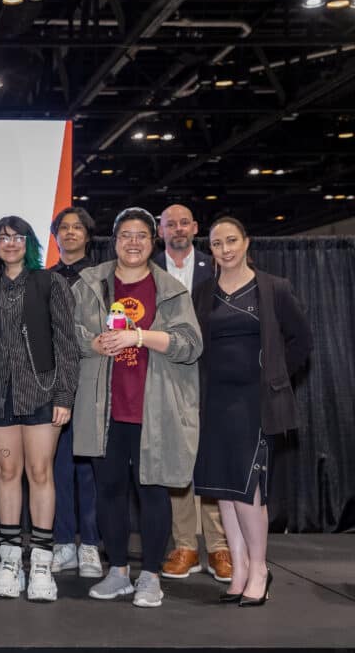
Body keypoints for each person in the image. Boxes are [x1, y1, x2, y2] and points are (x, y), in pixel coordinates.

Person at [72, 207, 202, 609]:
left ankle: (150, 576)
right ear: (114, 241)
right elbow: (69, 334)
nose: (133, 242)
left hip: (155, 409)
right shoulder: (90, 284)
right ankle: (117, 571)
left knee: (153, 492)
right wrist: (92, 343)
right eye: (126, 235)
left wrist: (140, 337)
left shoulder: (170, 289)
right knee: (109, 491)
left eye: (141, 235)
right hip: (104, 408)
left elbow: (190, 344)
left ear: (153, 241)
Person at [192, 217, 311, 606]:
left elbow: (301, 341)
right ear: (210, 249)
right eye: (217, 243)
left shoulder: (274, 288)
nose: (225, 249)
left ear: (246, 242)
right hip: (214, 402)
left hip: (254, 404)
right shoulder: (203, 292)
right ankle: (239, 569)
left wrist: (274, 376)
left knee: (248, 492)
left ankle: (260, 568)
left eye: (231, 240)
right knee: (225, 492)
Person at [0, 216, 78, 602]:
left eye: (17, 237)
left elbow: (67, 344)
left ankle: (42, 563)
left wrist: (64, 396)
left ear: (29, 243)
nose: (10, 243)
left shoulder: (51, 283)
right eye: (3, 237)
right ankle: (10, 560)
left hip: (43, 394)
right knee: (7, 472)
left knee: (40, 472)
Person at [155, 204, 230, 583]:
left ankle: (219, 546)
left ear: (196, 227)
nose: (178, 229)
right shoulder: (148, 268)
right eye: (170, 224)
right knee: (178, 460)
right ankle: (185, 545)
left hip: (212, 375)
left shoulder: (217, 265)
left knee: (212, 458)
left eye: (185, 222)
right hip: (166, 375)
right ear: (160, 230)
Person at [47, 207, 102, 577]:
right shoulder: (44, 279)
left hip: (93, 379)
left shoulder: (103, 278)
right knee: (59, 467)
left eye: (77, 227)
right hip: (54, 383)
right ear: (55, 236)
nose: (70, 233)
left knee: (90, 469)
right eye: (63, 228)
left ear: (87, 235)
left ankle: (91, 545)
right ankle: (63, 541)